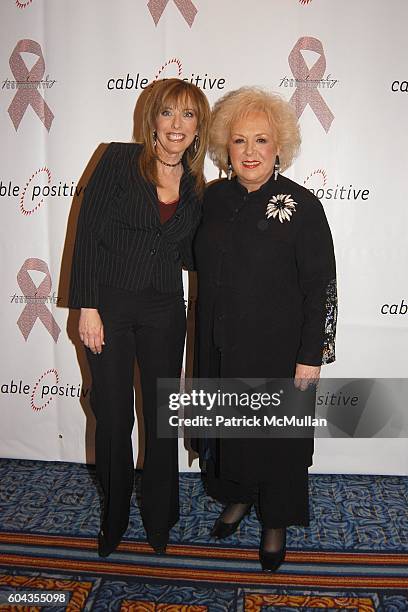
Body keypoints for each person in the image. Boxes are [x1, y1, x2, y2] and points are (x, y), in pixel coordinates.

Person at [193, 87, 337, 571]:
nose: (250, 152)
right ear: (224, 148)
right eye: (239, 141)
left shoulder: (302, 205)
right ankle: (238, 496)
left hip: (279, 349)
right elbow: (186, 255)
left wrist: (312, 354)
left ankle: (275, 520)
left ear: (280, 148)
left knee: (275, 442)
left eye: (261, 140)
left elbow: (321, 287)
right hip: (223, 345)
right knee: (231, 433)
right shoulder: (213, 199)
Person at [69, 78, 210, 556]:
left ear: (198, 127)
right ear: (152, 119)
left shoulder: (196, 183)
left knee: (162, 417)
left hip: (165, 310)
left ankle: (159, 516)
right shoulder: (116, 160)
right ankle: (113, 517)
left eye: (188, 115)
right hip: (108, 307)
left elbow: (194, 253)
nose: (177, 125)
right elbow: (87, 233)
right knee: (112, 416)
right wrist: (87, 306)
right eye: (168, 113)